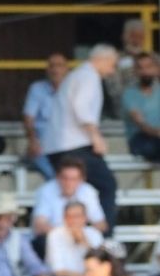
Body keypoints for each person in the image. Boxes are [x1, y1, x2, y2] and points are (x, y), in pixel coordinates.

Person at [42, 43, 118, 231]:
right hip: (74, 145)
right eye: (112, 64)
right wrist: (96, 137)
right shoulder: (89, 76)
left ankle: (81, 234)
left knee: (75, 191)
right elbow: (82, 108)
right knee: (107, 185)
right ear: (102, 60)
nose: (112, 70)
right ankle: (103, 239)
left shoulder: (77, 75)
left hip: (59, 146)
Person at [30, 157, 108, 243]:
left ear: (82, 179)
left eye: (74, 179)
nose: (69, 183)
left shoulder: (88, 191)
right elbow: (39, 226)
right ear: (57, 177)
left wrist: (83, 234)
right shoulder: (46, 190)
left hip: (80, 239)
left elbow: (101, 225)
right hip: (55, 239)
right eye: (65, 178)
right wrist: (67, 235)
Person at [46, 201, 104, 276]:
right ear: (64, 218)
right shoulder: (55, 235)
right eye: (69, 216)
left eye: (77, 216)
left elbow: (102, 263)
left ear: (85, 217)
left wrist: (84, 242)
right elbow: (58, 272)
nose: (73, 220)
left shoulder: (94, 234)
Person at [22, 53, 69, 180]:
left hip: (66, 139)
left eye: (59, 65)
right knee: (37, 152)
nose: (55, 70)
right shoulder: (37, 88)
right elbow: (28, 117)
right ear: (47, 70)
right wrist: (33, 140)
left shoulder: (73, 89)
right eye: (52, 66)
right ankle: (58, 183)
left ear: (66, 69)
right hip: (43, 138)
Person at [120, 51, 160, 163]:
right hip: (140, 140)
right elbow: (141, 123)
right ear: (135, 71)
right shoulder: (130, 93)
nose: (145, 71)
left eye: (149, 67)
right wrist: (158, 133)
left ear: (156, 68)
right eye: (140, 68)